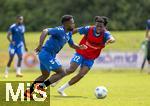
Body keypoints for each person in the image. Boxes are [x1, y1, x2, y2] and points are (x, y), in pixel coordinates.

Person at [24, 15, 87, 99]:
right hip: (46, 54)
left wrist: (79, 47)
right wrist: (40, 45)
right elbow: (45, 31)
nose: (74, 24)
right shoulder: (59, 30)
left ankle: (28, 93)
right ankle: (41, 87)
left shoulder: (69, 34)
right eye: (72, 23)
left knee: (45, 75)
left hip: (48, 55)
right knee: (62, 73)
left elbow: (72, 44)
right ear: (66, 23)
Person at [56, 16, 115, 96]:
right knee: (71, 69)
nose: (98, 28)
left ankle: (61, 89)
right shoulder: (88, 29)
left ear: (104, 27)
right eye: (97, 25)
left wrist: (111, 40)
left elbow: (112, 38)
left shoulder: (105, 34)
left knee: (81, 74)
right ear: (95, 24)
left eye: (101, 26)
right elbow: (75, 30)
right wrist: (64, 35)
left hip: (90, 58)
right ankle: (58, 78)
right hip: (81, 52)